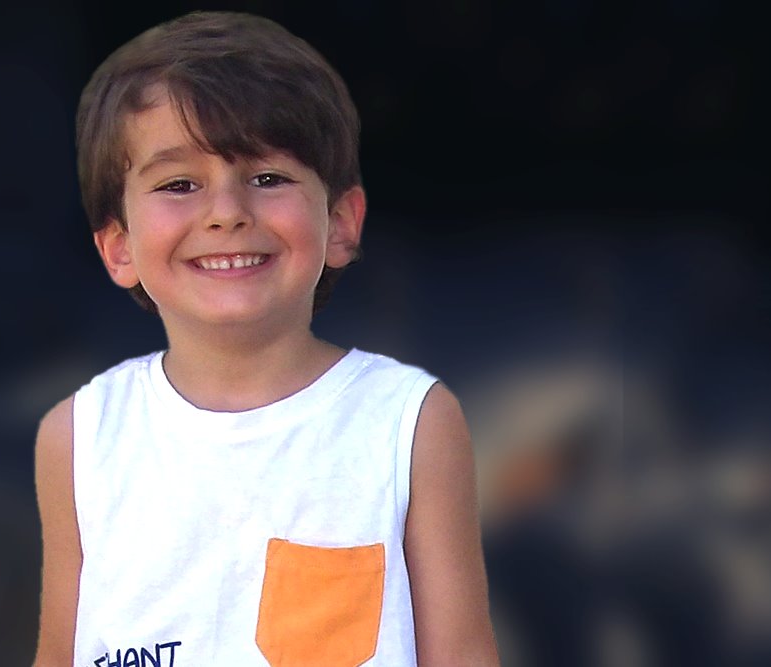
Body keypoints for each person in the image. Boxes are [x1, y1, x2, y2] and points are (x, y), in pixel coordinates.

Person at [33, 11, 499, 666]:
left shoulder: (409, 422)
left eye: (268, 178)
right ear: (119, 248)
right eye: (179, 184)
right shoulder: (80, 437)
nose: (227, 212)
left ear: (341, 224)